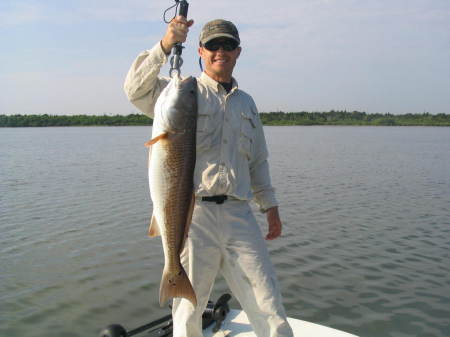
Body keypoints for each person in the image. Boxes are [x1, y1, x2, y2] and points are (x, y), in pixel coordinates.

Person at [124, 16, 293, 337]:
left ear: (238, 52)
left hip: (239, 214)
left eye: (227, 45)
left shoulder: (247, 103)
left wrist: (270, 205)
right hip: (190, 213)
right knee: (188, 308)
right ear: (200, 50)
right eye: (213, 45)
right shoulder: (180, 91)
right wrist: (164, 44)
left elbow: (258, 160)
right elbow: (135, 89)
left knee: (268, 303)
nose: (220, 51)